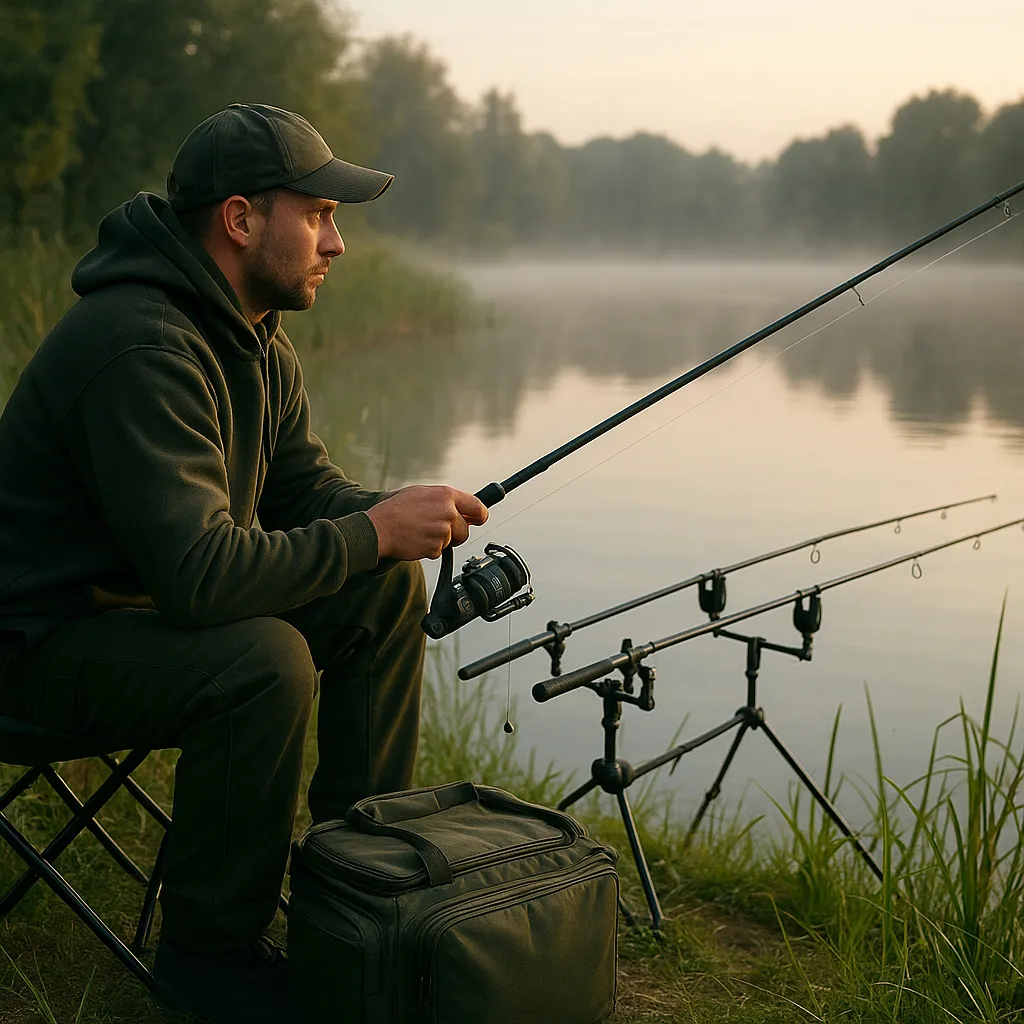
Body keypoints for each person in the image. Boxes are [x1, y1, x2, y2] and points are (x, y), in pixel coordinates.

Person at [0, 103, 487, 1023]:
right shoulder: (141, 344)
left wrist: (399, 517)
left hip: (117, 620)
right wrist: (375, 528)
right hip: (28, 646)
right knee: (262, 661)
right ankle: (210, 959)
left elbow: (303, 494)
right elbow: (201, 578)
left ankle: (362, 903)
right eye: (318, 214)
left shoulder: (256, 333)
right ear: (239, 219)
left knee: (382, 586)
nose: (335, 242)